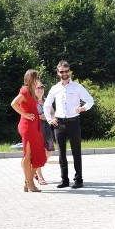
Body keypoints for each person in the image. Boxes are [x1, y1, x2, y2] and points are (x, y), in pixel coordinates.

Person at [43, 60, 94, 189]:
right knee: (61, 152)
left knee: (76, 151)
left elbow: (90, 100)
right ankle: (64, 179)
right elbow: (47, 105)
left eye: (66, 71)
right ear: (58, 72)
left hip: (73, 121)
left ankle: (78, 179)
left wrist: (83, 108)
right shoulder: (55, 88)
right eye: (61, 72)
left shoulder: (77, 87)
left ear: (69, 71)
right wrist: (50, 119)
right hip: (59, 123)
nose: (64, 74)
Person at [10, 69, 48, 192]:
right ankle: (29, 183)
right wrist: (25, 114)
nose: (38, 79)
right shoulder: (25, 91)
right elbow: (14, 104)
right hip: (27, 126)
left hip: (35, 125)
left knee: (38, 154)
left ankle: (28, 181)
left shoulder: (32, 92)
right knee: (28, 155)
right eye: (36, 77)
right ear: (32, 79)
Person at [35, 82, 54, 185]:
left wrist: (49, 117)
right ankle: (39, 176)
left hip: (47, 131)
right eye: (38, 87)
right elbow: (28, 115)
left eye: (42, 87)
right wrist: (39, 117)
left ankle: (34, 170)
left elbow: (53, 113)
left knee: (49, 152)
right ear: (34, 89)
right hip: (36, 131)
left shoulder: (47, 101)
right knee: (38, 153)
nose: (40, 89)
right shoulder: (32, 102)